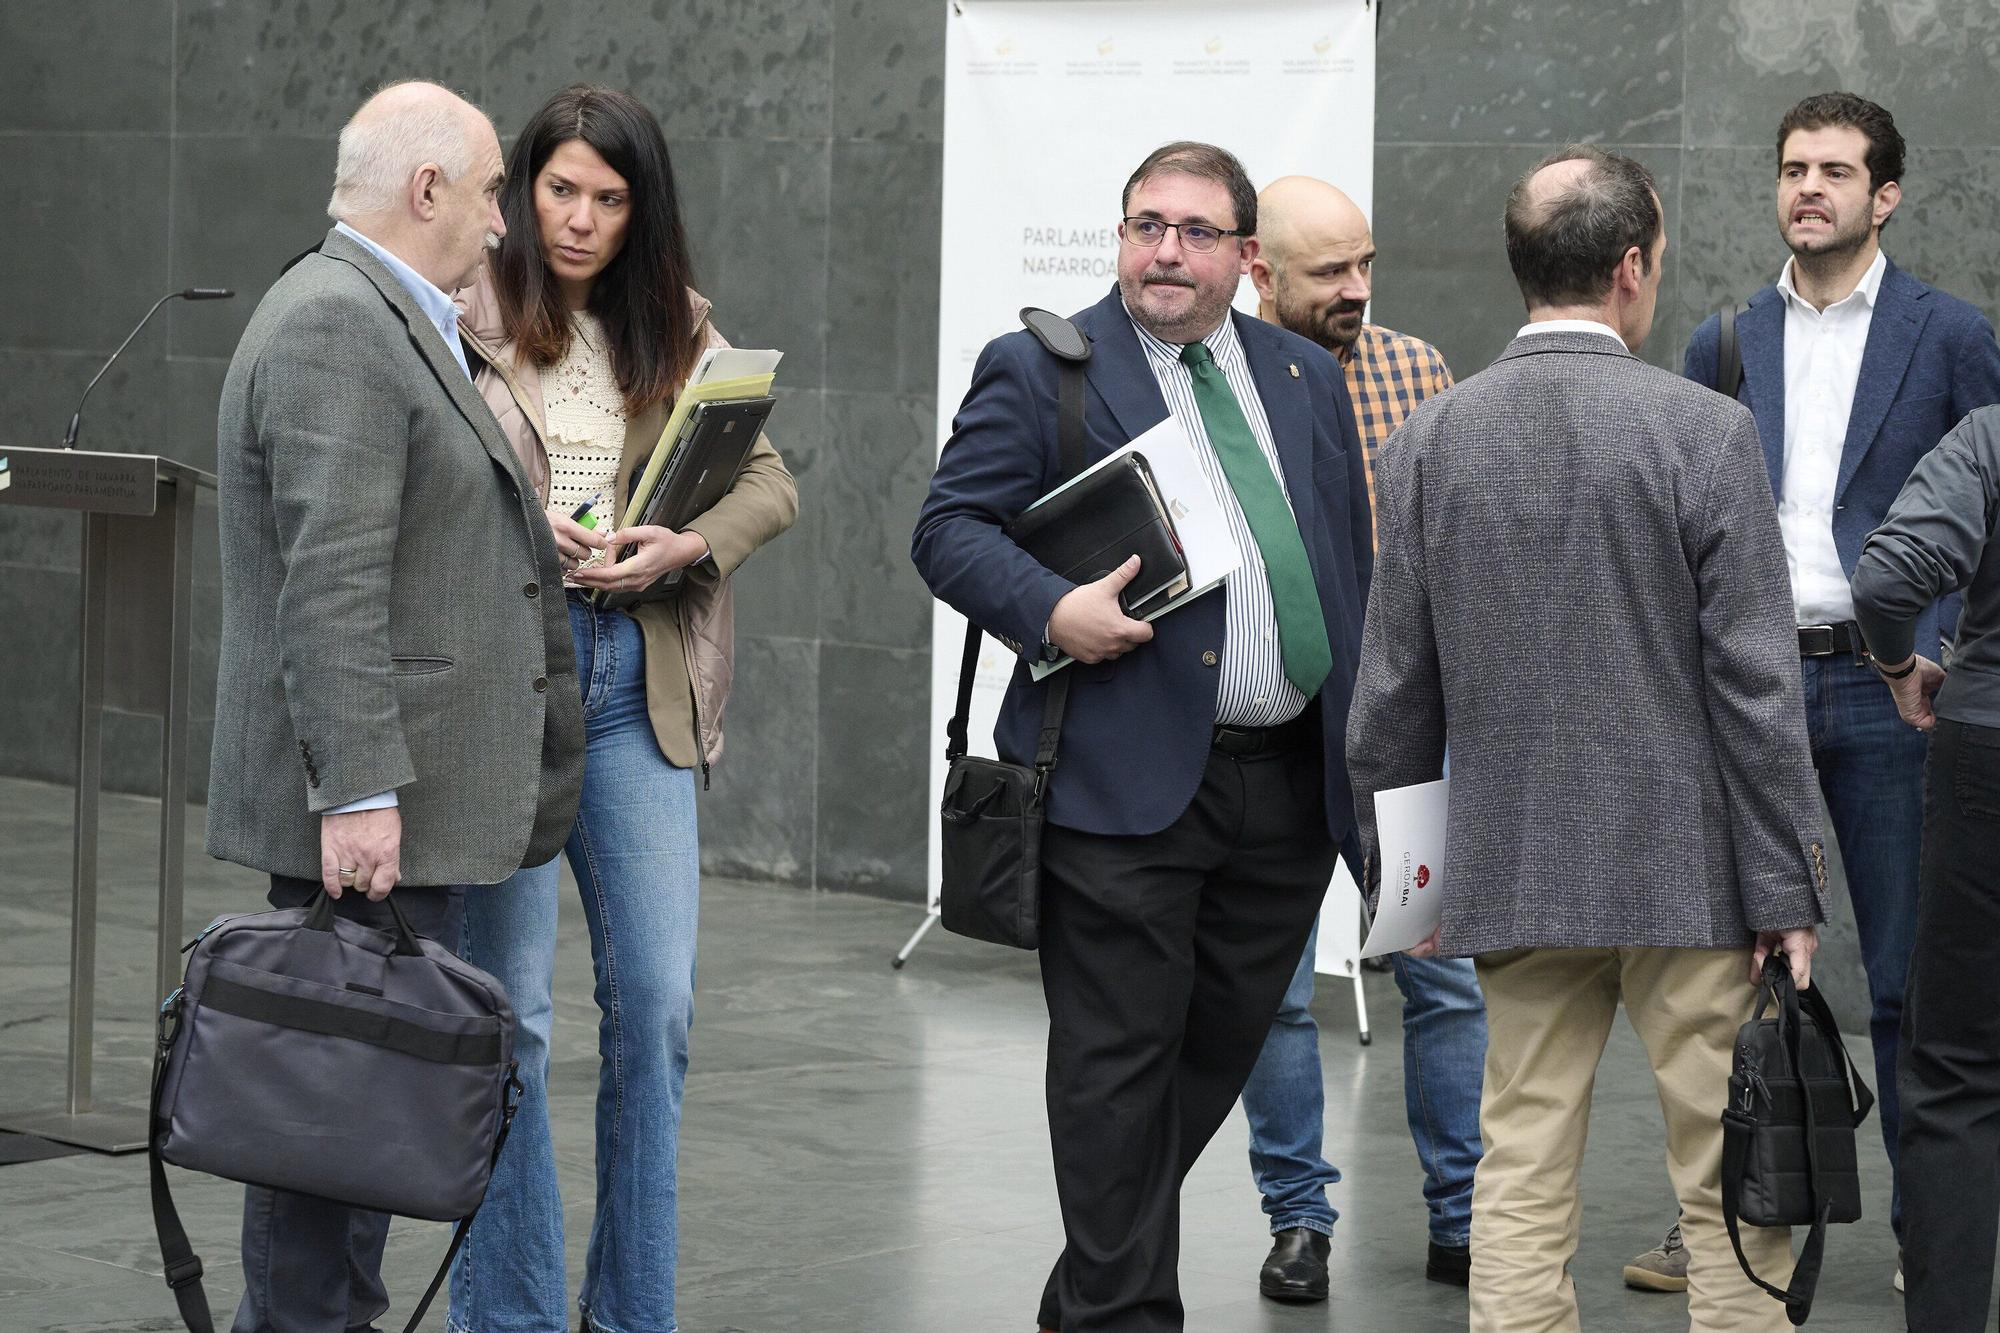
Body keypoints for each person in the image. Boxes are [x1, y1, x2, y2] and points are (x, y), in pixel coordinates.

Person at [1347, 144, 1828, 1333]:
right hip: (1690, 874)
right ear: (1630, 269)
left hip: (1508, 869)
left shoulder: (1426, 443)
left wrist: (1407, 893)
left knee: (1517, 1160)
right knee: (1725, 1175)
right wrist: (1788, 887)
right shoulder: (1702, 433)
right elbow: (1756, 692)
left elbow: (1390, 700)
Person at [913, 140, 1372, 1333]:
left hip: (1284, 797)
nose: (1163, 251)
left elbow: (1345, 566)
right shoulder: (1043, 367)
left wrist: (1371, 766)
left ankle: (1085, 1298)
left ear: (1247, 257)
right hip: (1117, 787)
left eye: (1193, 230)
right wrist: (1048, 610)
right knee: (1114, 1072)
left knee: (1203, 1062)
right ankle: (1125, 1314)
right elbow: (948, 530)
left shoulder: (1304, 375)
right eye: (1143, 225)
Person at [205, 80, 585, 1333]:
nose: (500, 223)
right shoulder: (338, 323)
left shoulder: (380, 315)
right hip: (372, 810)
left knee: (348, 1119)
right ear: (425, 191)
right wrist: (361, 794)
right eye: (488, 194)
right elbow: (333, 583)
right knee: (327, 1129)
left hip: (399, 801)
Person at [1630, 92, 2000, 1296]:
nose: (1809, 188)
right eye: (1792, 167)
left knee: (1901, 979)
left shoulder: (1950, 336)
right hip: (1750, 685)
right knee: (1721, 974)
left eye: (1836, 171)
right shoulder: (1724, 341)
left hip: (1898, 693)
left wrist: (1932, 649)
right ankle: (1718, 1223)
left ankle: (1921, 1238)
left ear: (1882, 194)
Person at [444, 84, 797, 1333]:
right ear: (520, 188)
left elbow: (768, 480)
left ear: (639, 208)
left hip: (633, 683)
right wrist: (508, 527)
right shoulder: (458, 313)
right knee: (514, 1026)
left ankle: (630, 1310)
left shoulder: (677, 325)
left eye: (608, 196)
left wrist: (681, 544)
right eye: (560, 191)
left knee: (655, 1007)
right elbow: (421, 485)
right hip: (508, 686)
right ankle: (516, 1315)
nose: (581, 220)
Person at [1239, 174, 1485, 1301]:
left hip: (1402, 738)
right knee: (1275, 990)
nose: (1354, 290)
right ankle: (1298, 1220)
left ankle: (1461, 1220)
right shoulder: (1215, 376)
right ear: (1258, 271)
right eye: (1326, 273)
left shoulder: (1414, 368)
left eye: (1364, 265)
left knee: (1441, 980)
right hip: (1271, 740)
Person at [1852, 404, 2000, 1330]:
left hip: (1988, 753)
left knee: (1955, 1069)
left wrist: (1900, 660)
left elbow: (1888, 577)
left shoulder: (1990, 437)